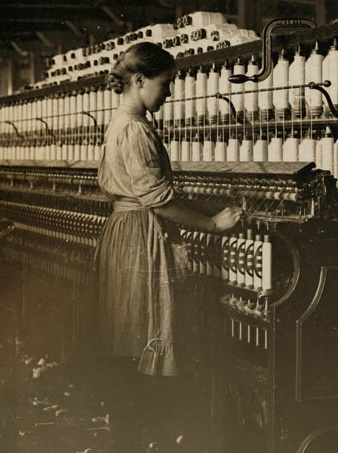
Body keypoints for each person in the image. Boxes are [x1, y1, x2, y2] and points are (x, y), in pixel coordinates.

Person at [95, 41, 242, 450]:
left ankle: (131, 438)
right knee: (148, 335)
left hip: (126, 231)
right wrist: (212, 222)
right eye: (166, 83)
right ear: (140, 81)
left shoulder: (121, 121)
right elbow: (157, 198)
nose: (170, 92)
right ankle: (146, 440)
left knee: (131, 338)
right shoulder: (135, 128)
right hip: (140, 235)